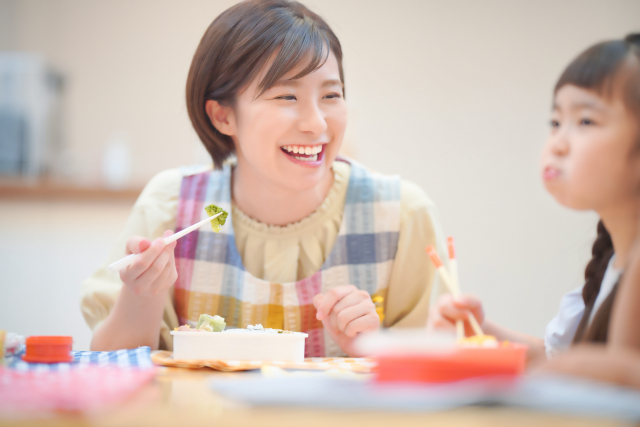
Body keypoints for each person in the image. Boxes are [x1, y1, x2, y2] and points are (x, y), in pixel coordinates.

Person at [81, 0, 446, 357]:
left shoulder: (402, 214)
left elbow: (437, 371)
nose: (317, 123)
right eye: (287, 96)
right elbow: (112, 365)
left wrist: (371, 345)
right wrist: (142, 295)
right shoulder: (171, 204)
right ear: (223, 116)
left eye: (331, 95)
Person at [428, 34, 640, 365]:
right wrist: (480, 332)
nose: (557, 143)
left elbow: (625, 382)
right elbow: (557, 358)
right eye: (556, 122)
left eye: (585, 121)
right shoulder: (612, 262)